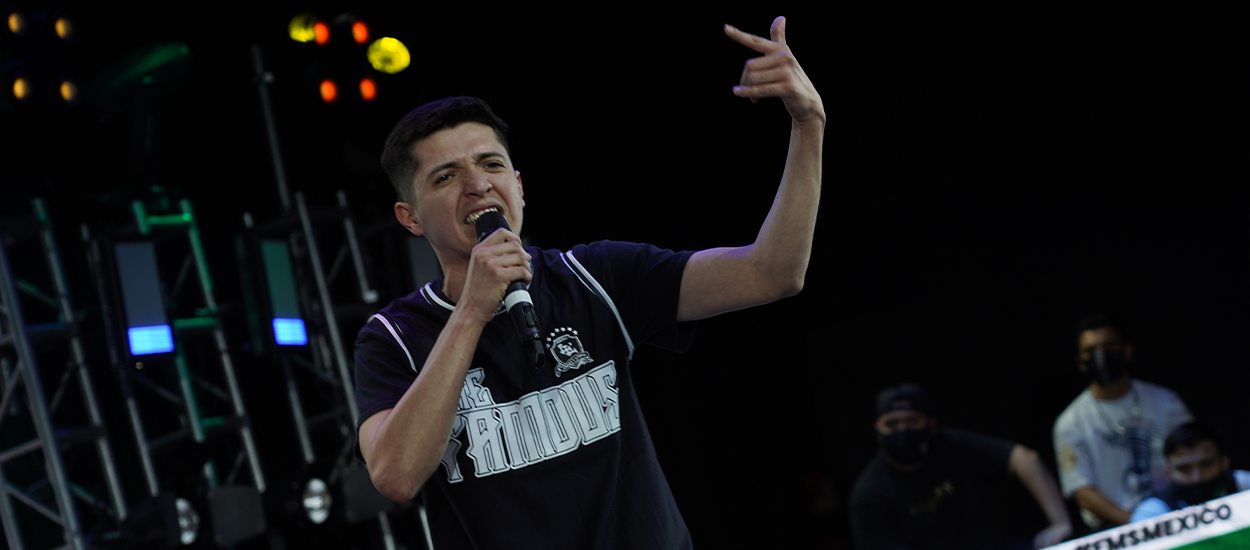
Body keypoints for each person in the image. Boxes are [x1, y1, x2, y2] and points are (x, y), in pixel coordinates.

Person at [352, 17, 824, 549]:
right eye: (446, 176)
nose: (478, 184)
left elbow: (772, 272)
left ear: (519, 186)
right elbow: (395, 476)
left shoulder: (593, 276)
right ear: (410, 217)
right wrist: (471, 312)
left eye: (492, 164)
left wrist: (808, 127)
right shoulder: (394, 336)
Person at [850, 384, 1072, 550]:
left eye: (912, 421)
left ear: (931, 424)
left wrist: (1059, 522)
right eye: (891, 424)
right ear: (877, 429)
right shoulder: (870, 494)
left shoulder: (949, 444)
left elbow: (1025, 459)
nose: (902, 430)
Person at [1052, 314, 1192, 530]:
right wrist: (1139, 525)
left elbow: (1194, 453)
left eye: (1108, 346)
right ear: (1080, 362)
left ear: (1126, 351)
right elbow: (1082, 491)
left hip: (1174, 513)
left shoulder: (1165, 402)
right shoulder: (1070, 423)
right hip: (1115, 527)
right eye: (1091, 351)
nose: (1101, 356)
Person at [1130, 421, 1250, 522]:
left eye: (1206, 464)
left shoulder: (1244, 484)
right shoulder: (1153, 512)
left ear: (1225, 462)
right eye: (1184, 468)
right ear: (1168, 472)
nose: (1197, 477)